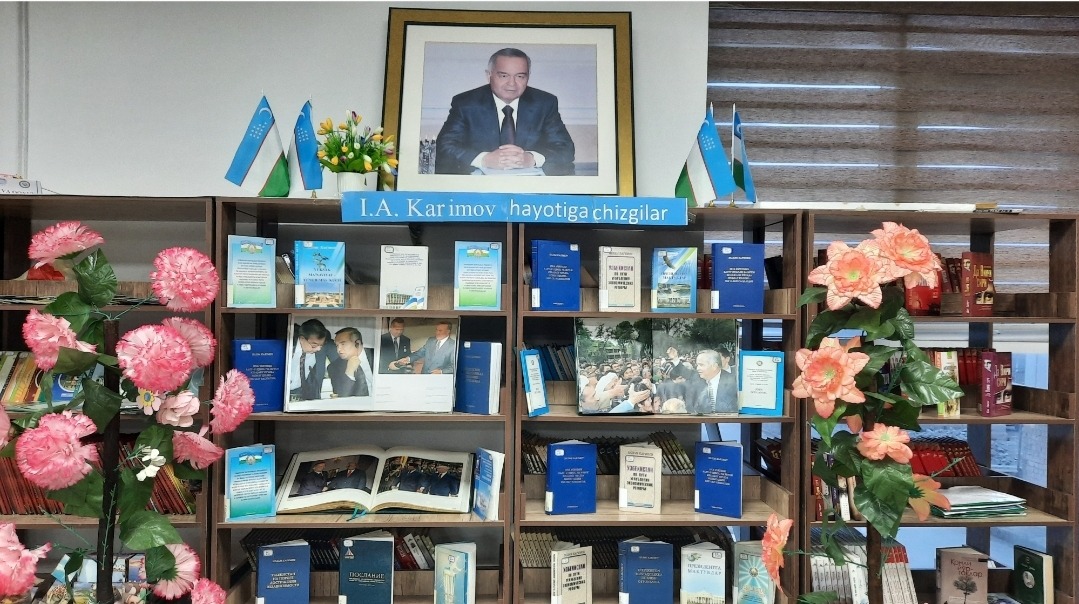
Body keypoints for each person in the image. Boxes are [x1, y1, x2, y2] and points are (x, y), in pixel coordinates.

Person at [435, 47, 575, 175]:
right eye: (503, 76)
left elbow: (565, 148)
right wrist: (484, 159)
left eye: (520, 76)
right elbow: (444, 146)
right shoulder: (466, 103)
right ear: (489, 75)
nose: (512, 83)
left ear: (528, 76)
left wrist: (531, 159)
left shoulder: (544, 103)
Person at [388, 320, 456, 374]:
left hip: (440, 379)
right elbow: (420, 353)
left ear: (448, 331)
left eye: (440, 331)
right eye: (436, 330)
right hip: (424, 375)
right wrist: (408, 359)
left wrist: (441, 372)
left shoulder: (453, 345)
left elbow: (455, 366)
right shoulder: (431, 340)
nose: (437, 332)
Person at [290, 319, 331, 401]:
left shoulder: (318, 352)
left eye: (321, 345)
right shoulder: (288, 346)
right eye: (314, 346)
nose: (318, 349)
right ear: (302, 339)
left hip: (302, 394)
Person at [327, 327, 374, 397]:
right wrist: (349, 373)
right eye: (337, 345)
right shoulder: (333, 367)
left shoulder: (377, 354)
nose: (338, 349)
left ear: (357, 343)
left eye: (343, 344)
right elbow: (341, 396)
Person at [688, 349, 738, 414]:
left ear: (714, 366)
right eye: (697, 365)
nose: (698, 368)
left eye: (701, 365)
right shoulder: (695, 382)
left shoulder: (734, 382)